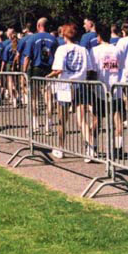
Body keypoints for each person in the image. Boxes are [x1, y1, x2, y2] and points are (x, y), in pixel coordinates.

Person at [47, 23, 96, 160]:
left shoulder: (62, 49)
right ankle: (90, 149)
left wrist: (48, 77)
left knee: (63, 120)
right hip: (80, 84)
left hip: (65, 86)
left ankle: (61, 148)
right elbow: (89, 69)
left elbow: (58, 69)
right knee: (82, 120)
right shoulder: (83, 49)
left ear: (64, 34)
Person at [90, 24, 126, 159]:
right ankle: (118, 147)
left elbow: (92, 71)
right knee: (118, 121)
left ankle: (92, 147)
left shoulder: (94, 51)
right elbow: (121, 67)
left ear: (99, 36)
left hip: (101, 89)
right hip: (115, 89)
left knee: (96, 121)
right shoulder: (117, 50)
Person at [23, 17, 58, 134]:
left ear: (38, 26)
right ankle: (49, 125)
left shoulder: (32, 38)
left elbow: (27, 57)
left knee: (34, 98)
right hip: (49, 70)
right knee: (49, 98)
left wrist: (23, 73)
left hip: (36, 69)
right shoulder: (54, 39)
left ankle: (35, 124)